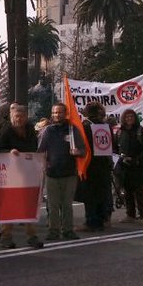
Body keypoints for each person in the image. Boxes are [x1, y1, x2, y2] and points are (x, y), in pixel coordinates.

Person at [0, 103, 45, 247]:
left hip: (28, 172)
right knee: (10, 205)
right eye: (17, 116)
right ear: (11, 117)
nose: (19, 119)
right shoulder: (6, 130)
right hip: (10, 174)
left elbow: (34, 148)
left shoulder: (30, 130)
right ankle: (6, 237)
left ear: (26, 117)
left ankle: (32, 236)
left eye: (22, 116)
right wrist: (9, 152)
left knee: (30, 205)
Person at [37, 102, 82, 241]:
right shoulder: (48, 131)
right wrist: (43, 165)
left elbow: (83, 150)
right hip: (52, 173)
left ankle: (68, 230)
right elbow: (40, 150)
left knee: (67, 205)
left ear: (65, 113)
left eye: (60, 112)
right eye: (55, 112)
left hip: (69, 173)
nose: (57, 115)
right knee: (53, 204)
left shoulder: (72, 129)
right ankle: (53, 230)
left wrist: (78, 151)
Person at [77, 101, 113, 233]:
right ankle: (101, 220)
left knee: (90, 195)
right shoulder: (106, 126)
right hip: (104, 164)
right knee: (101, 194)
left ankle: (91, 221)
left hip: (90, 164)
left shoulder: (85, 126)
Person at [113, 108, 143, 224]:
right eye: (127, 117)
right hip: (124, 167)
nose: (129, 119)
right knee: (127, 192)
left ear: (135, 118)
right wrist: (120, 159)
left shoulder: (142, 131)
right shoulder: (120, 132)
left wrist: (136, 159)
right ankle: (130, 214)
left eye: (131, 117)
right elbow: (115, 148)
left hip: (138, 166)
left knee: (139, 192)